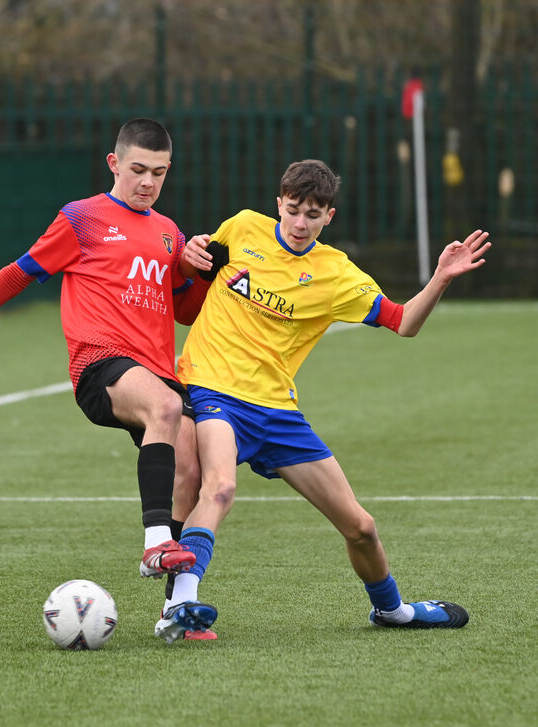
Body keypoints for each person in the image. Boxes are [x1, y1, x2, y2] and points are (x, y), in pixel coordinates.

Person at [155, 158, 490, 643]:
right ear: (279, 204)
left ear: (328, 216)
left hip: (277, 411)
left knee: (361, 527)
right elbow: (193, 275)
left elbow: (403, 323)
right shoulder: (242, 228)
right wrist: (189, 255)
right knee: (220, 487)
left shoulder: (335, 273)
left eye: (312, 215)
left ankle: (393, 611)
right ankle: (181, 604)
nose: (299, 223)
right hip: (213, 391)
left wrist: (439, 278)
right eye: (293, 210)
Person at [0, 117, 218, 641]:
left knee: (192, 470)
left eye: (158, 173)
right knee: (167, 409)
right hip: (100, 365)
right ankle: (155, 543)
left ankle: (175, 609)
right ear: (114, 163)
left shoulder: (169, 232)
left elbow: (185, 311)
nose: (147, 182)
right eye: (138, 169)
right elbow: (18, 272)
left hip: (155, 372)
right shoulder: (82, 218)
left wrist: (203, 274)